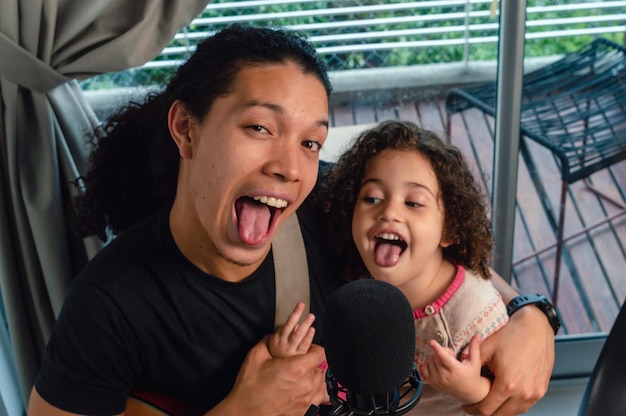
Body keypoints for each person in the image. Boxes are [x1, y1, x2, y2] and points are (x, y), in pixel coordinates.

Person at [27, 24, 555, 416]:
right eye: (259, 127)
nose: (288, 167)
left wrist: (530, 315)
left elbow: (436, 255)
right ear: (186, 128)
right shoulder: (110, 304)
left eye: (310, 142)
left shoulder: (330, 200)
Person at [319, 120, 514, 414]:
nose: (389, 212)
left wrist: (469, 388)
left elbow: (510, 397)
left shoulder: (474, 311)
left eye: (414, 203)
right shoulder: (360, 278)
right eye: (371, 198)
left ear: (449, 229)